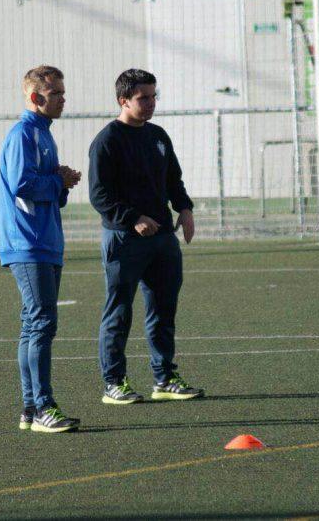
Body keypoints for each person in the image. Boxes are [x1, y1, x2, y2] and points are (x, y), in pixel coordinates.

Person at [88, 68, 204, 405]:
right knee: (119, 311)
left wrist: (184, 209)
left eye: (154, 96)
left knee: (163, 309)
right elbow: (100, 196)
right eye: (143, 98)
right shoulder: (107, 141)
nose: (151, 103)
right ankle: (114, 383)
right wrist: (132, 219)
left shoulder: (158, 135)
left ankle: (165, 377)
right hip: (124, 241)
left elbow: (173, 180)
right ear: (124, 100)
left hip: (162, 240)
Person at [0, 65, 83, 433]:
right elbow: (22, 185)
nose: (63, 98)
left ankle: (31, 410)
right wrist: (56, 179)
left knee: (34, 325)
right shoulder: (23, 135)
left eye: (63, 91)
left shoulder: (44, 135)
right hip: (27, 242)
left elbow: (45, 190)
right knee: (41, 323)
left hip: (44, 241)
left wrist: (61, 183)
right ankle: (44, 406)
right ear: (36, 98)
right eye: (56, 93)